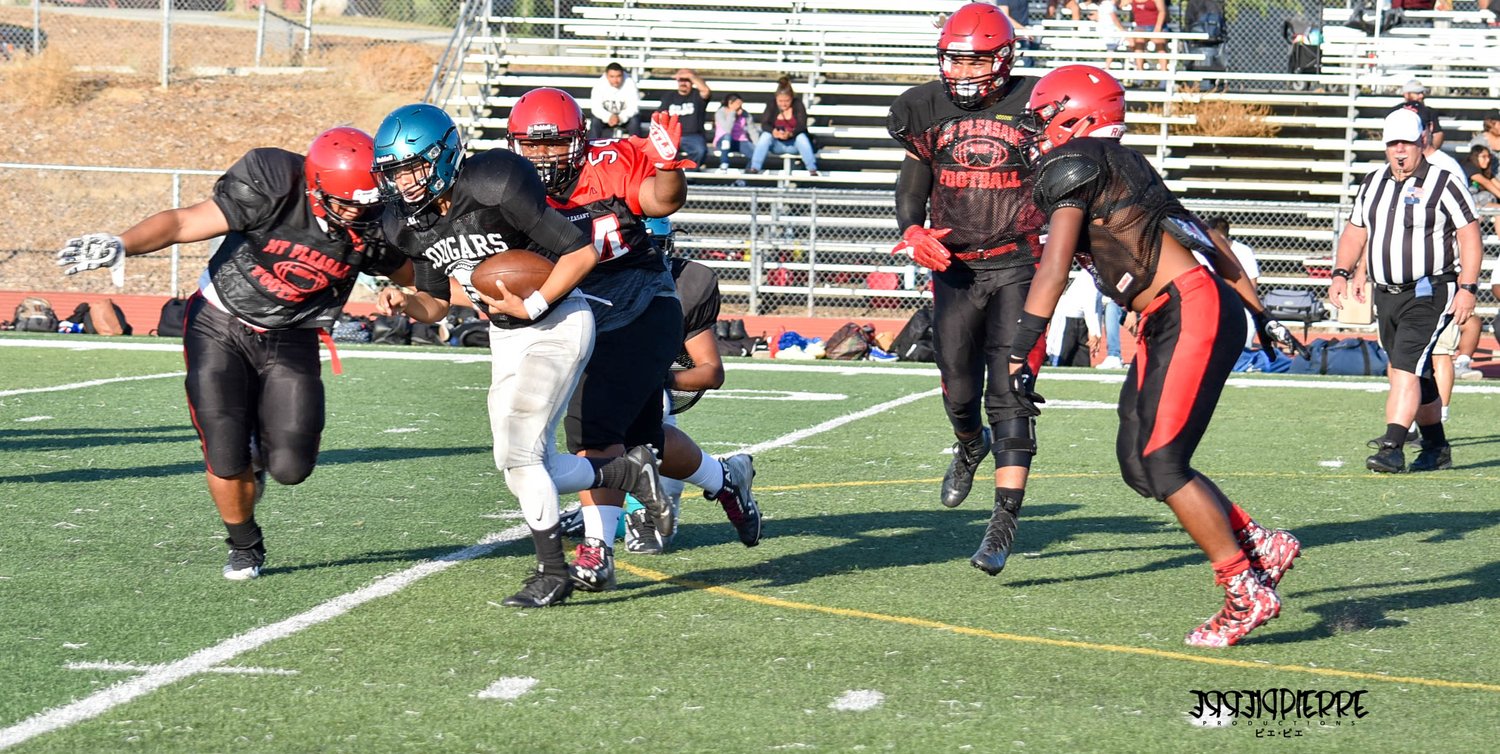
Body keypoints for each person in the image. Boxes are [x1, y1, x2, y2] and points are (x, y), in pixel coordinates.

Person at [1009, 64, 1304, 647]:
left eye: (1045, 118)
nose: (1038, 132)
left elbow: (1054, 268)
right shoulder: (1120, 163)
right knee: (1139, 464)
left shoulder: (1077, 163)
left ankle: (1243, 588)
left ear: (1078, 117)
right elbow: (1207, 239)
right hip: (1178, 310)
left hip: (1187, 308)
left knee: (1163, 462)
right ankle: (1257, 542)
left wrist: (1021, 350)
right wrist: (1260, 313)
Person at [56, 127, 404, 581]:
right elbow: (183, 223)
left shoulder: (380, 220)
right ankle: (244, 545)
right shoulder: (275, 183)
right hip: (219, 321)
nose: (358, 211)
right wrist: (123, 243)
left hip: (292, 333)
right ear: (316, 187)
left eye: (368, 201)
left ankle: (259, 453)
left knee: (291, 468)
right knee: (225, 450)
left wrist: (430, 296)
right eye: (347, 201)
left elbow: (424, 280)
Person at [371, 103, 667, 609]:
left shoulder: (495, 183)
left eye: (415, 167)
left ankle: (552, 572)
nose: (406, 182)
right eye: (396, 172)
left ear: (444, 156)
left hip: (557, 320)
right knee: (514, 463)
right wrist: (405, 302)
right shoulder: (406, 221)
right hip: (506, 334)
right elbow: (435, 301)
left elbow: (581, 251)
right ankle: (626, 472)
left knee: (523, 454)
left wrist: (534, 302)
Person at [506, 89, 758, 580]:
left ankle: (597, 551)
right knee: (645, 440)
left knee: (594, 432)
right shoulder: (509, 186)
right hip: (582, 314)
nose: (543, 157)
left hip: (641, 303)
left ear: (580, 140)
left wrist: (667, 166)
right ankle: (726, 478)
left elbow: (662, 199)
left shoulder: (609, 161)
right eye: (532, 145)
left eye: (554, 144)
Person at [886, 3, 1048, 576]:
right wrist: (912, 230)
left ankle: (1004, 520)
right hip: (954, 267)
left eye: (975, 60)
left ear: (1004, 58)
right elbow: (913, 186)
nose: (962, 71)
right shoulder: (923, 108)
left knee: (1010, 389)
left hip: (1019, 264)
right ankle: (970, 443)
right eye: (954, 59)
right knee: (958, 388)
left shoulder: (1037, 102)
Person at [559, 217, 763, 554]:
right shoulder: (589, 272)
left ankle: (631, 516)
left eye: (653, 244)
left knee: (618, 430)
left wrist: (653, 376)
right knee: (587, 432)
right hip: (600, 367)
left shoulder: (685, 283)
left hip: (654, 385)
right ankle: (722, 478)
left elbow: (711, 372)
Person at [1327, 107, 1482, 474]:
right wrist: (1341, 272)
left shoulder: (1444, 182)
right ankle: (1436, 447)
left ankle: (1392, 446)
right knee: (1414, 371)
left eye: (1407, 143)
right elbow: (1356, 231)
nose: (1399, 150)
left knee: (1405, 367)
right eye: (1392, 143)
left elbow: (1469, 235)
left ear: (1421, 141)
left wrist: (1468, 287)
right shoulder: (1373, 182)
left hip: (1429, 289)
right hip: (1387, 292)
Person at [1205, 216, 1261, 349]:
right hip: (1213, 305)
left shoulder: (1243, 251)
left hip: (1240, 306)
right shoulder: (1203, 250)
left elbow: (1252, 283)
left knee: (1242, 347)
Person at [748, 82, 820, 176]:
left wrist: (791, 133)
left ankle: (812, 169)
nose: (783, 104)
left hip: (794, 144)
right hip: (776, 144)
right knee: (765, 136)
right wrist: (774, 132)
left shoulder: (797, 104)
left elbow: (802, 125)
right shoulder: (772, 104)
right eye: (780, 101)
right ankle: (755, 167)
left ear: (792, 98)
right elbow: (764, 124)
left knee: (801, 137)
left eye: (787, 101)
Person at [656, 68, 711, 167]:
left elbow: (705, 91)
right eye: (681, 80)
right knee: (658, 152)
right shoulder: (669, 96)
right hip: (671, 135)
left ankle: (690, 174)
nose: (683, 83)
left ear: (692, 81)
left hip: (693, 135)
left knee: (700, 151)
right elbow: (661, 116)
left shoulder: (697, 95)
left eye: (687, 80)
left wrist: (690, 75)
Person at [1046, 272, 1101, 366]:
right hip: (1067, 317)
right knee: (1060, 360)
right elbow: (1089, 304)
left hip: (1082, 321)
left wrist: (1098, 334)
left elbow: (1098, 305)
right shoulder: (1091, 275)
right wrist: (1093, 332)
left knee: (1082, 364)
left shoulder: (1104, 277)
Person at [588, 61, 642, 141]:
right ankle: (592, 146)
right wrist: (608, 117)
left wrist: (620, 117)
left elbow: (634, 107)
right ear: (606, 75)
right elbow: (596, 108)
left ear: (623, 74)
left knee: (635, 121)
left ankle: (636, 147)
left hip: (624, 118)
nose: (615, 80)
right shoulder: (599, 84)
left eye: (618, 76)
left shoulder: (630, 84)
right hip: (606, 118)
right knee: (595, 121)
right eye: (612, 76)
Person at [1392, 79, 1445, 151]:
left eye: (1422, 92)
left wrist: (1430, 152)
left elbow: (1437, 134)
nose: (1421, 96)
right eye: (1417, 93)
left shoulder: (1430, 112)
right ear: (1406, 94)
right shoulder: (1394, 112)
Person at [712, 93, 758, 172]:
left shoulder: (745, 114)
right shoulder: (720, 113)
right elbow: (727, 129)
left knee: (757, 154)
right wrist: (732, 113)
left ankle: (747, 174)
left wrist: (757, 145)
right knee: (727, 136)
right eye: (737, 104)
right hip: (723, 141)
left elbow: (752, 130)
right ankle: (724, 163)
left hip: (740, 141)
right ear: (730, 103)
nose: (740, 107)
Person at [1128, 0, 1169, 80]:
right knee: (1138, 42)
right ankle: (1140, 75)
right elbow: (1120, 4)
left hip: (1156, 25)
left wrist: (1157, 28)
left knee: (1159, 43)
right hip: (1140, 27)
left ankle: (1164, 75)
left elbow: (1162, 11)